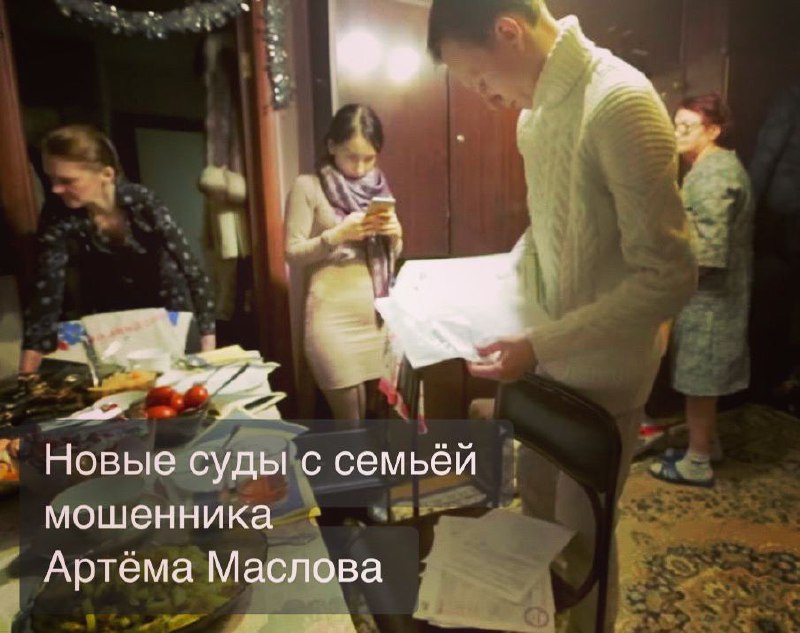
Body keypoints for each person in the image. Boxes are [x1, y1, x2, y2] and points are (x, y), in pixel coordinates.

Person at [426, 2, 696, 632]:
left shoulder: (618, 103)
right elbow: (551, 235)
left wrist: (541, 342)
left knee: (582, 548)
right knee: (536, 526)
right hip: (545, 366)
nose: (487, 97)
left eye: (479, 78)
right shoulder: (535, 117)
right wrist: (484, 283)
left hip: (601, 380)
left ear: (508, 31)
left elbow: (669, 276)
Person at [19, 124, 216, 374]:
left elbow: (190, 268)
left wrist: (208, 338)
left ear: (107, 174)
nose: (55, 189)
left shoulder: (143, 201)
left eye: (67, 181)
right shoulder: (56, 213)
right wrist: (28, 369)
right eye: (51, 179)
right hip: (110, 318)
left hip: (168, 309)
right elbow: (46, 291)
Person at [650, 95, 755, 487]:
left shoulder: (713, 175)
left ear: (713, 130)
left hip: (711, 298)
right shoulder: (712, 166)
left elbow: (709, 252)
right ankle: (707, 444)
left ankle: (697, 462)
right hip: (711, 296)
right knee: (701, 377)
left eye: (687, 127)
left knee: (700, 381)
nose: (677, 133)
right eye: (675, 125)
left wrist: (669, 283)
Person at [284, 104, 403, 421]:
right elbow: (292, 253)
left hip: (376, 321)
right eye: (351, 156)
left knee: (379, 421)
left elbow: (389, 256)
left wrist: (395, 235)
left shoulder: (379, 189)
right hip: (332, 323)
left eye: (370, 158)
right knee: (351, 426)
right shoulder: (308, 186)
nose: (360, 167)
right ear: (332, 146)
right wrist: (336, 236)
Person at [748, 83, 800, 401]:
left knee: (777, 296)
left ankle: (771, 379)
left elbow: (767, 153)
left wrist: (746, 211)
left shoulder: (791, 96)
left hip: (787, 211)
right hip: (787, 211)